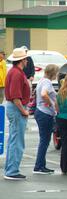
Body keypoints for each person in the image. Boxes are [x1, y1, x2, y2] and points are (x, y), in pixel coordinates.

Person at [4, 48, 30, 180]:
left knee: (14, 140)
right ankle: (12, 171)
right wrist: (24, 111)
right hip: (16, 108)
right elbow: (15, 97)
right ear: (22, 60)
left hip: (14, 108)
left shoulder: (15, 72)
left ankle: (11, 169)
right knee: (17, 141)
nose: (26, 61)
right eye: (25, 59)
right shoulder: (17, 74)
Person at [33, 64, 59, 174]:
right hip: (45, 113)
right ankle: (39, 166)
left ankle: (41, 165)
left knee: (44, 140)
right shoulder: (47, 82)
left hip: (40, 112)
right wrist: (51, 104)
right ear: (53, 73)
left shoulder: (41, 80)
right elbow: (44, 94)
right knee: (44, 140)